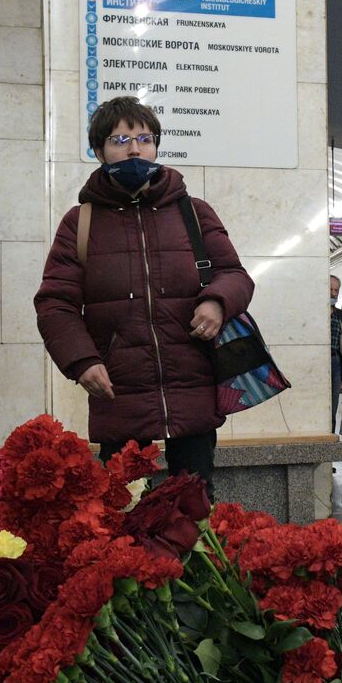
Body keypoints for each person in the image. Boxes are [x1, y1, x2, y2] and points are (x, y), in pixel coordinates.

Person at [34, 96, 253, 491]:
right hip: (119, 392)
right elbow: (55, 303)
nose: (134, 148)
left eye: (144, 138)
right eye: (120, 140)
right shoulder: (80, 223)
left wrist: (217, 301)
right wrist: (81, 362)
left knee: (196, 512)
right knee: (124, 517)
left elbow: (234, 274)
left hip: (192, 388)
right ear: (99, 150)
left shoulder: (193, 212)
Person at [330, 276, 342, 432]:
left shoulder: (341, 316)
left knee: (334, 403)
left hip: (336, 361)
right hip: (319, 362)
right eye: (330, 289)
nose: (333, 293)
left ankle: (331, 433)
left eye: (336, 290)